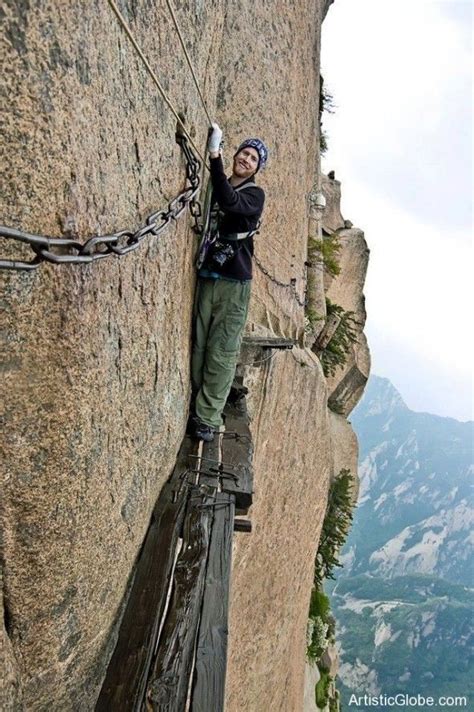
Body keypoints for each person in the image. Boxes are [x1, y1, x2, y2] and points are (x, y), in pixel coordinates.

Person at [189, 123, 268, 442]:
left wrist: (214, 156)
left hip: (234, 282)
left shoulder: (254, 195)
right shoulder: (215, 184)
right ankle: (197, 404)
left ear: (256, 169)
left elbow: (231, 201)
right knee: (201, 341)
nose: (246, 160)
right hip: (210, 274)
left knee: (221, 350)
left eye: (253, 159)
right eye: (244, 153)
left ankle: (207, 418)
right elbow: (217, 193)